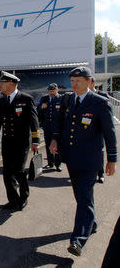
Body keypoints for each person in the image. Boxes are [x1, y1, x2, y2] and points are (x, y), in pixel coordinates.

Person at [49, 66, 117, 257]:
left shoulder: (100, 102)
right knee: (81, 196)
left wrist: (112, 159)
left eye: (78, 80)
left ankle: (78, 240)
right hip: (71, 157)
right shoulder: (68, 99)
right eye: (72, 81)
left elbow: (109, 133)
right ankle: (91, 222)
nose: (74, 84)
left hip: (89, 159)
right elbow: (60, 123)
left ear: (89, 81)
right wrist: (54, 139)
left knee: (84, 196)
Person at [0, 71, 40, 211]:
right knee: (7, 173)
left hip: (21, 142)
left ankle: (23, 196)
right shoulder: (2, 101)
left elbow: (34, 121)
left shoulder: (26, 99)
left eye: (2, 83)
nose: (0, 85)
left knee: (19, 171)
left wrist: (36, 140)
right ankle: (13, 200)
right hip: (7, 142)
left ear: (11, 84)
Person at [37, 83, 62, 172]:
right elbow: (38, 108)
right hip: (47, 126)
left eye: (53, 91)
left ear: (57, 90)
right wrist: (41, 106)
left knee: (57, 145)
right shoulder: (44, 98)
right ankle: (50, 163)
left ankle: (58, 164)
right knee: (48, 144)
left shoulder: (61, 98)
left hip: (58, 126)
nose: (52, 93)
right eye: (50, 91)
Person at [89, 76, 110, 184]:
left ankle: (100, 174)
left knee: (99, 152)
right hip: (87, 129)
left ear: (93, 83)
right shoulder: (82, 96)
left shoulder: (102, 95)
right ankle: (89, 173)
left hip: (99, 129)